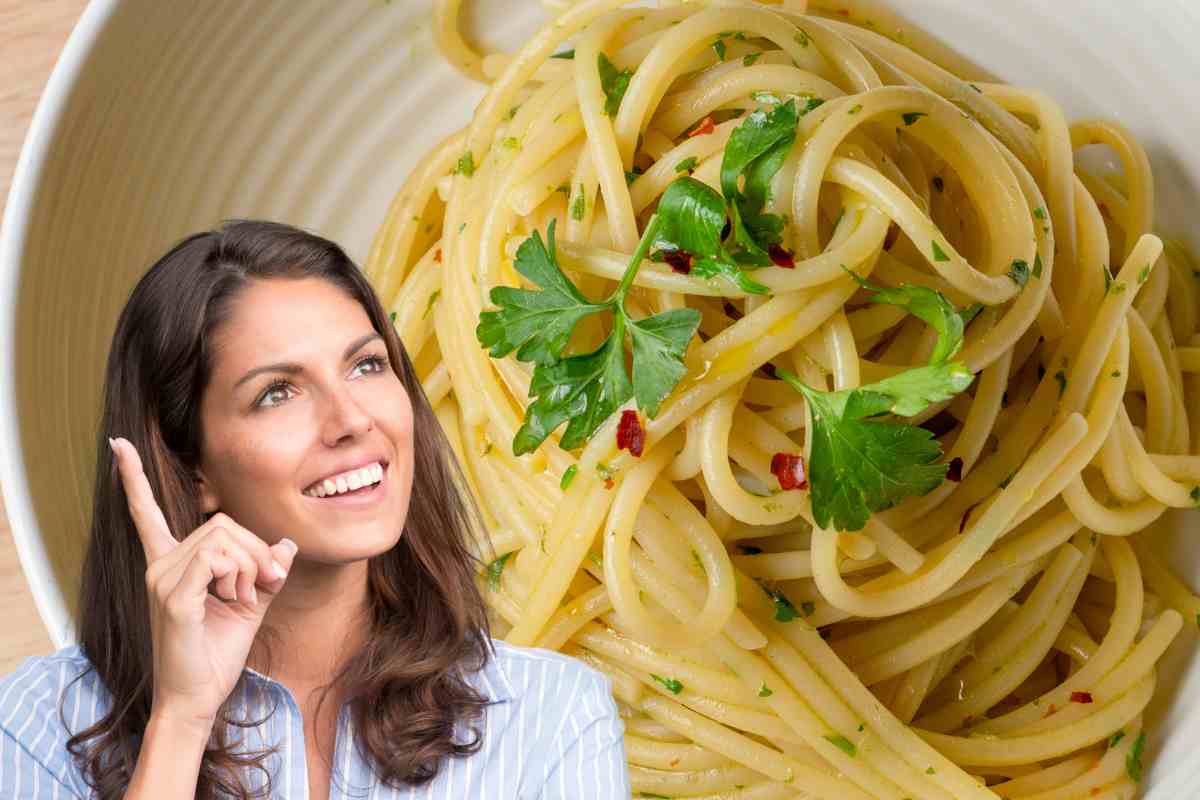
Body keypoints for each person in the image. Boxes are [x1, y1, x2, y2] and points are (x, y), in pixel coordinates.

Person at [0, 219, 631, 799]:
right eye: (278, 392)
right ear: (191, 469)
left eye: (365, 365)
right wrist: (182, 717)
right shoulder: (39, 721)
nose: (352, 420)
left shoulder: (553, 715)